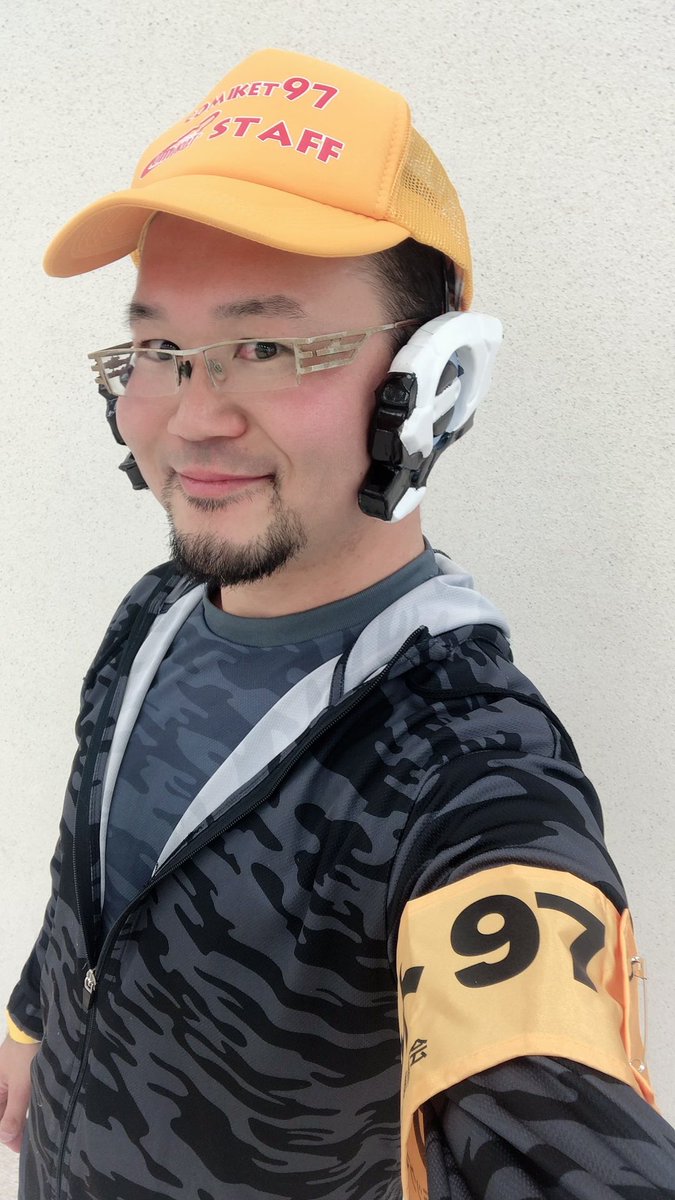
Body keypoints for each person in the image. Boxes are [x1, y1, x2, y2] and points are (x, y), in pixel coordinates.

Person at [1, 47, 674, 1200]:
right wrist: (33, 1025)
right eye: (159, 350)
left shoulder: (463, 763)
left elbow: (552, 1117)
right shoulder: (157, 611)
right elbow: (87, 874)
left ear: (433, 382)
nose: (190, 418)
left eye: (266, 347)